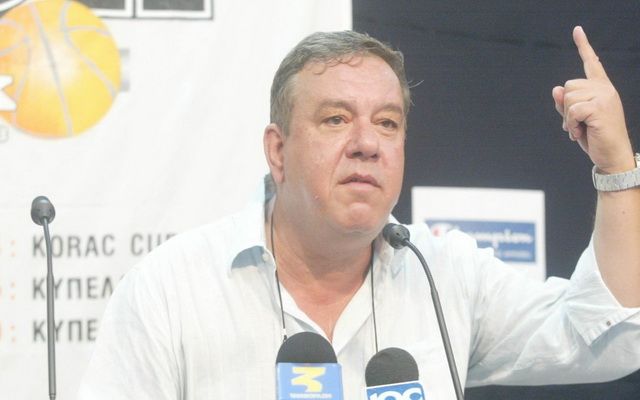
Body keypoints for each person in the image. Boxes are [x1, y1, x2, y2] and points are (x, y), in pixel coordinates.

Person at [78, 27, 640, 399]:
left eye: (388, 123)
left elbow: (608, 338)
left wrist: (616, 166)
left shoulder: (444, 275)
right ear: (278, 150)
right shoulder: (171, 290)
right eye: (336, 119)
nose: (368, 144)